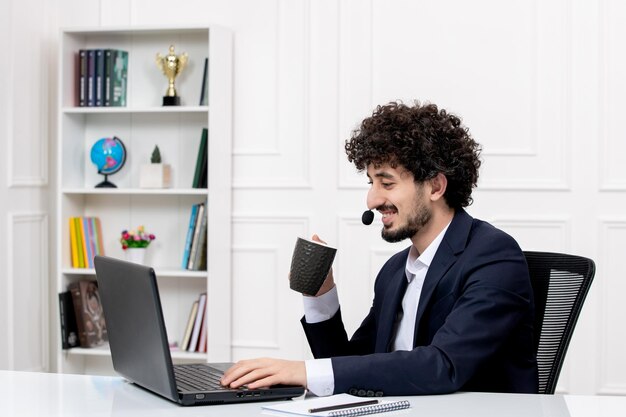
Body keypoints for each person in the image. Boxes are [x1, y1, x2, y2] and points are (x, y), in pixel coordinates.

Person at [221, 101, 538, 396]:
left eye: (386, 183)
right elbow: (350, 367)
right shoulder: (394, 272)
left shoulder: (494, 257)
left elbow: (444, 366)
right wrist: (321, 296)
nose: (371, 201)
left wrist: (302, 371)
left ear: (436, 186)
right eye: (371, 183)